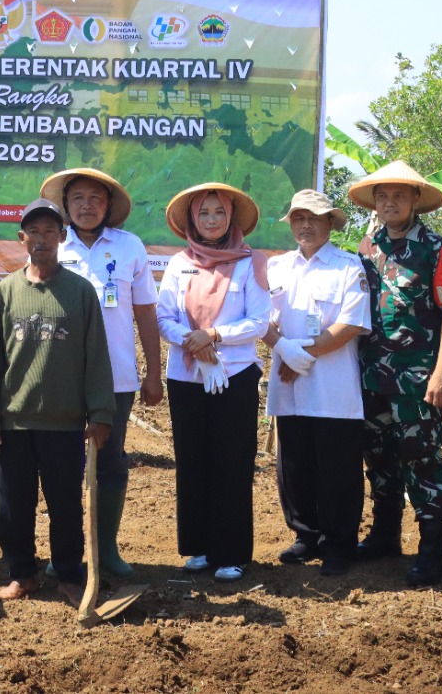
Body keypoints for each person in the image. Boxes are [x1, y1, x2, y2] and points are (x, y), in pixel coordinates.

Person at [0, 199, 114, 603]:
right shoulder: (7, 291)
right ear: (22, 238)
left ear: (62, 237)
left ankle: (70, 576)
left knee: (66, 505)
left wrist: (100, 412)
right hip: (16, 422)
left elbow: (96, 354)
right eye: (34, 232)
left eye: (49, 232)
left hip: (65, 422)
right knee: (14, 506)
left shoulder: (80, 292)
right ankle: (22, 574)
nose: (41, 239)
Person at [348, 161, 442, 587]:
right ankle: (385, 535)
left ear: (416, 199)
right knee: (379, 457)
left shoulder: (437, 250)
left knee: (422, 459)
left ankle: (432, 548)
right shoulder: (367, 247)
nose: (390, 203)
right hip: (371, 376)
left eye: (399, 195)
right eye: (383, 196)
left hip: (417, 380)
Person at [40, 166, 163, 578]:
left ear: (109, 205)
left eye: (96, 198)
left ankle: (106, 549)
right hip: (61, 378)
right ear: (65, 205)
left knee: (109, 462)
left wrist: (153, 373)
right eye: (78, 198)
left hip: (116, 377)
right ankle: (66, 553)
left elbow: (145, 314)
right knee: (64, 466)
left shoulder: (129, 247)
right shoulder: (54, 246)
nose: (86, 206)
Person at [156, 182, 270, 583]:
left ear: (231, 218)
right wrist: (195, 343)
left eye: (218, 212)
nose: (211, 220)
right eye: (203, 213)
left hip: (234, 376)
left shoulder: (250, 263)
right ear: (192, 220)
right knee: (193, 461)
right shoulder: (178, 264)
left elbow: (259, 321)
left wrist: (214, 336)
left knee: (232, 462)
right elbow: (163, 318)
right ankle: (200, 547)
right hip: (186, 377)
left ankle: (232, 552)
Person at [264, 190, 372, 577]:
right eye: (298, 218)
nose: (305, 225)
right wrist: (284, 349)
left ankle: (339, 544)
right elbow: (264, 320)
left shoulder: (348, 267)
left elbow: (351, 324)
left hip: (333, 386)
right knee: (295, 464)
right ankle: (305, 535)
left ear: (330, 223)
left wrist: (302, 356)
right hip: (288, 383)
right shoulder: (277, 267)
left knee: (337, 468)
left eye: (314, 218)